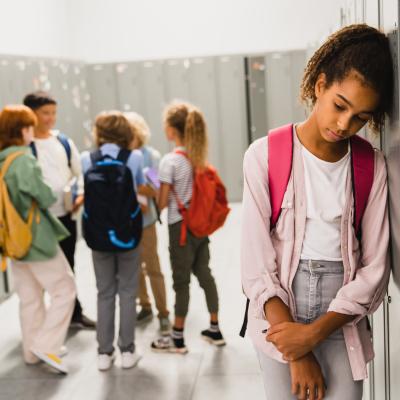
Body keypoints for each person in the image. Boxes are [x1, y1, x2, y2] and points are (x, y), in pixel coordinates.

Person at [241, 24, 393, 399]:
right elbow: (256, 265)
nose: (344, 125)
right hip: (279, 312)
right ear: (320, 85)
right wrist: (297, 349)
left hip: (342, 318)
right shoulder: (264, 155)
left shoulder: (370, 166)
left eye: (359, 117)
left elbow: (374, 269)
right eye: (340, 105)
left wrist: (313, 334)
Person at [0, 105, 76, 374]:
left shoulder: (2, 160)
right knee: (64, 289)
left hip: (12, 240)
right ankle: (47, 344)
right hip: (35, 237)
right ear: (23, 130)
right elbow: (44, 196)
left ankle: (32, 350)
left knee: (30, 296)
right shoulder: (23, 160)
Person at [81, 111, 155, 371]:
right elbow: (139, 190)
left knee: (104, 292)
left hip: (98, 235)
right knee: (127, 291)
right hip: (127, 234)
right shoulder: (133, 158)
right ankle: (127, 351)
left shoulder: (86, 159)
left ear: (99, 132)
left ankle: (104, 353)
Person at [151, 101, 225, 354]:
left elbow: (161, 203)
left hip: (179, 228)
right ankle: (215, 328)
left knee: (181, 282)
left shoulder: (170, 161)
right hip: (200, 227)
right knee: (205, 274)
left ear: (172, 130)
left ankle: (177, 338)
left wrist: (151, 190)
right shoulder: (198, 158)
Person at [23, 91, 95, 329]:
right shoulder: (24, 147)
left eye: (53, 113)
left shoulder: (63, 141)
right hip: (38, 220)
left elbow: (79, 172)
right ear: (31, 113)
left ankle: (74, 314)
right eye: (45, 113)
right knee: (41, 274)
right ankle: (46, 321)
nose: (50, 118)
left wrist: (81, 194)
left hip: (65, 216)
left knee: (68, 266)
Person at [125, 112, 171, 335]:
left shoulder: (150, 156)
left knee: (152, 266)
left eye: (132, 133)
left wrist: (135, 188)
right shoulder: (121, 156)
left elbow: (155, 188)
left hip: (146, 221)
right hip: (126, 220)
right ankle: (144, 305)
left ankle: (163, 313)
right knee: (134, 267)